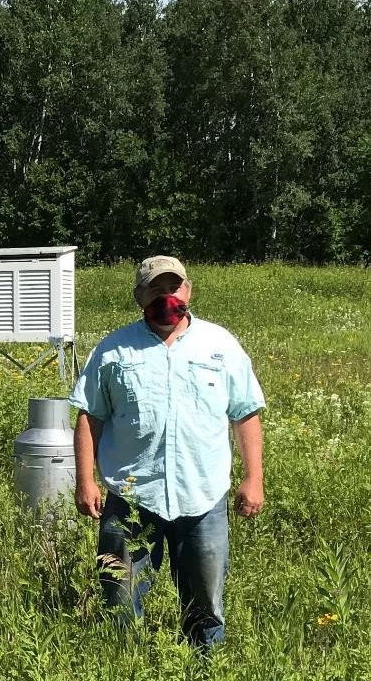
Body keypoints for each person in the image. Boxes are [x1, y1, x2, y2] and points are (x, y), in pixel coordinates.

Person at [69, 256, 265, 647]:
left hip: (202, 496)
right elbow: (90, 417)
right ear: (139, 296)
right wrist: (85, 480)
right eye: (155, 290)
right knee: (119, 600)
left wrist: (253, 477)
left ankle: (203, 674)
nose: (166, 297)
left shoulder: (220, 345)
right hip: (131, 496)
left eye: (173, 288)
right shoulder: (113, 350)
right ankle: (122, 668)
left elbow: (245, 414)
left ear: (188, 290)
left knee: (205, 605)